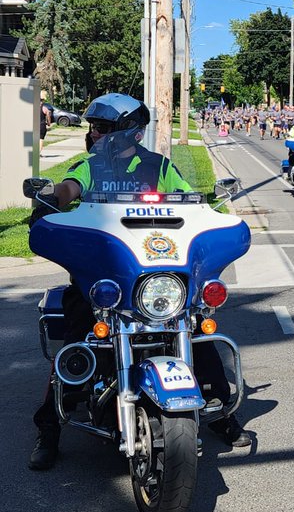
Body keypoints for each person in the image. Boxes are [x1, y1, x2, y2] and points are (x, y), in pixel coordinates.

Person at [28, 93, 249, 471]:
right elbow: (70, 188)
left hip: (153, 275)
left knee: (196, 328)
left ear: (129, 132)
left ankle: (220, 410)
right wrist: (52, 196)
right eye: (93, 127)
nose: (93, 134)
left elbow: (191, 201)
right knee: (79, 333)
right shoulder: (90, 166)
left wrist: (210, 210)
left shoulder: (159, 166)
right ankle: (49, 427)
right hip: (104, 280)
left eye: (102, 128)